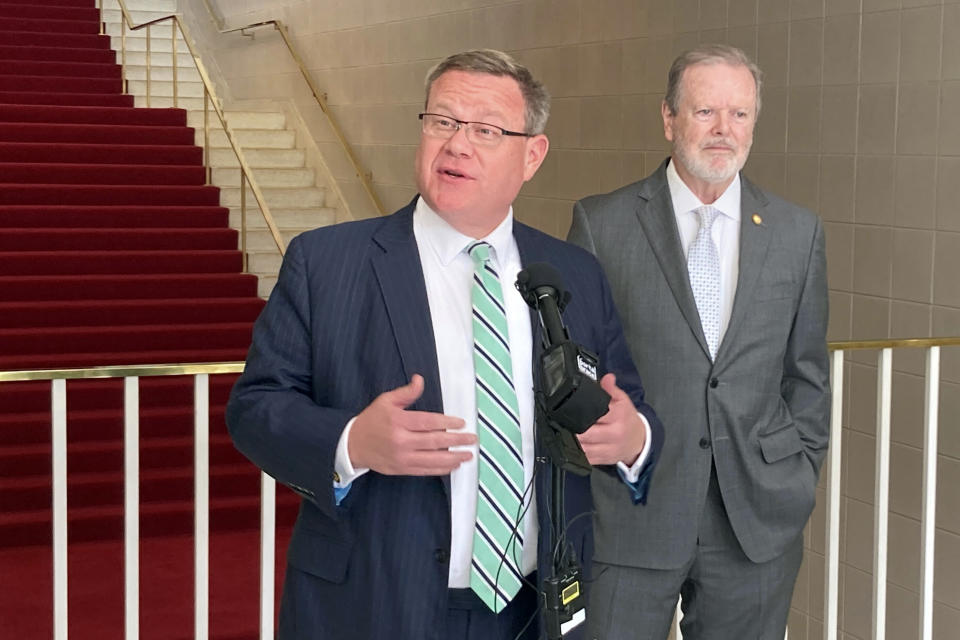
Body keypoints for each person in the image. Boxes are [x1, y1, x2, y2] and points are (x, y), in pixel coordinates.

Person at [227, 49, 664, 640]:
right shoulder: (327, 262)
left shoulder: (573, 273)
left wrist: (632, 438)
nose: (457, 144)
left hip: (537, 610)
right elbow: (256, 408)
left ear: (532, 155)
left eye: (486, 130)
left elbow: (628, 405)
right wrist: (353, 442)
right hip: (376, 604)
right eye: (443, 122)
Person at [567, 44, 830, 639]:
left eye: (739, 114)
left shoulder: (797, 233)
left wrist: (800, 473)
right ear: (669, 118)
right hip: (632, 512)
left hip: (755, 521)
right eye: (705, 111)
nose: (722, 130)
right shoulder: (601, 224)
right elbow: (574, 373)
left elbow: (807, 374)